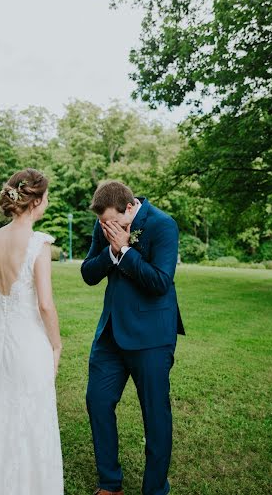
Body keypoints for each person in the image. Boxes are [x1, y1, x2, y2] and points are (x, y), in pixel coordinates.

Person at [81, 180, 185, 495]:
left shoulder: (163, 225)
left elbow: (159, 282)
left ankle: (155, 489)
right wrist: (111, 253)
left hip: (152, 335)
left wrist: (125, 251)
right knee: (97, 401)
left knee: (155, 414)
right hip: (111, 333)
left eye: (111, 222)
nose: (106, 227)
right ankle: (110, 484)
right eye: (102, 223)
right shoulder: (106, 223)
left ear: (130, 208)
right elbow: (88, 273)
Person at [0, 168, 63, 495]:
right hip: (32, 346)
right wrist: (56, 345)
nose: (48, 202)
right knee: (34, 424)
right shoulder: (39, 244)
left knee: (1, 419)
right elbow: (46, 305)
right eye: (46, 196)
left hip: (0, 346)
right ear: (35, 201)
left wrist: (6, 327)